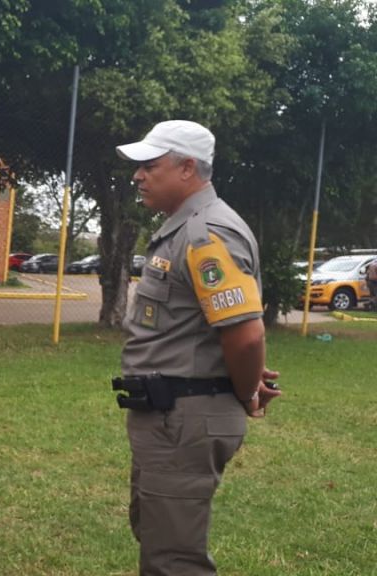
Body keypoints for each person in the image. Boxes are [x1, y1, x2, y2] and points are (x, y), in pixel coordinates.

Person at [113, 120, 282, 575]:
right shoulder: (184, 227)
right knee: (158, 537)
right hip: (172, 414)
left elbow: (245, 333)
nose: (138, 175)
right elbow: (210, 330)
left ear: (187, 167)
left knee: (174, 561)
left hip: (183, 418)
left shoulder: (206, 233)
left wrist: (245, 389)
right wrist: (236, 377)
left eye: (150, 165)